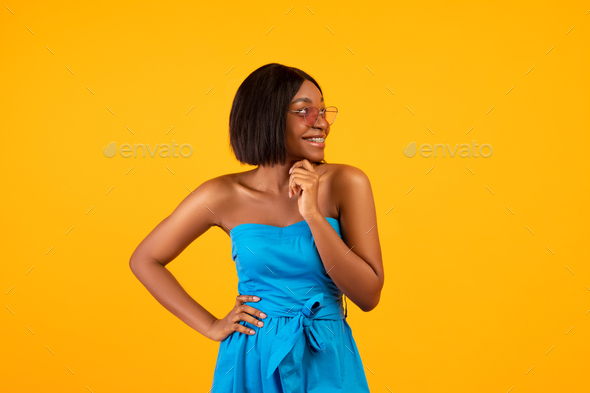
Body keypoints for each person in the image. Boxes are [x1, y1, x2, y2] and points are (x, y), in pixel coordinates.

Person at [129, 63, 384, 392]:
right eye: (305, 111)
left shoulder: (346, 182)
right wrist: (211, 326)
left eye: (322, 110)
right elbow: (145, 259)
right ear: (269, 116)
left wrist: (313, 216)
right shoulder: (222, 195)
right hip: (251, 359)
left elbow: (368, 295)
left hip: (326, 357)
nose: (321, 122)